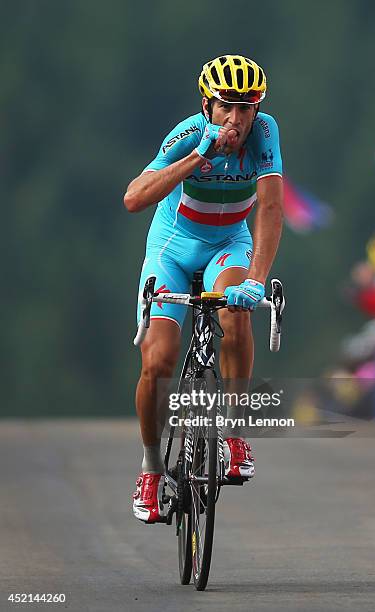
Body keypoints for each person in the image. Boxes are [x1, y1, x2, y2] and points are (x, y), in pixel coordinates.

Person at [124, 55, 283, 523]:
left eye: (247, 108)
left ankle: (232, 432)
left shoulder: (265, 134)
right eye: (226, 107)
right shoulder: (190, 133)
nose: (237, 119)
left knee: (236, 315)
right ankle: (152, 469)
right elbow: (134, 197)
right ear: (206, 105)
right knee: (159, 360)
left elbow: (271, 210)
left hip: (229, 244)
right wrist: (199, 157)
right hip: (173, 248)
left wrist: (255, 280)